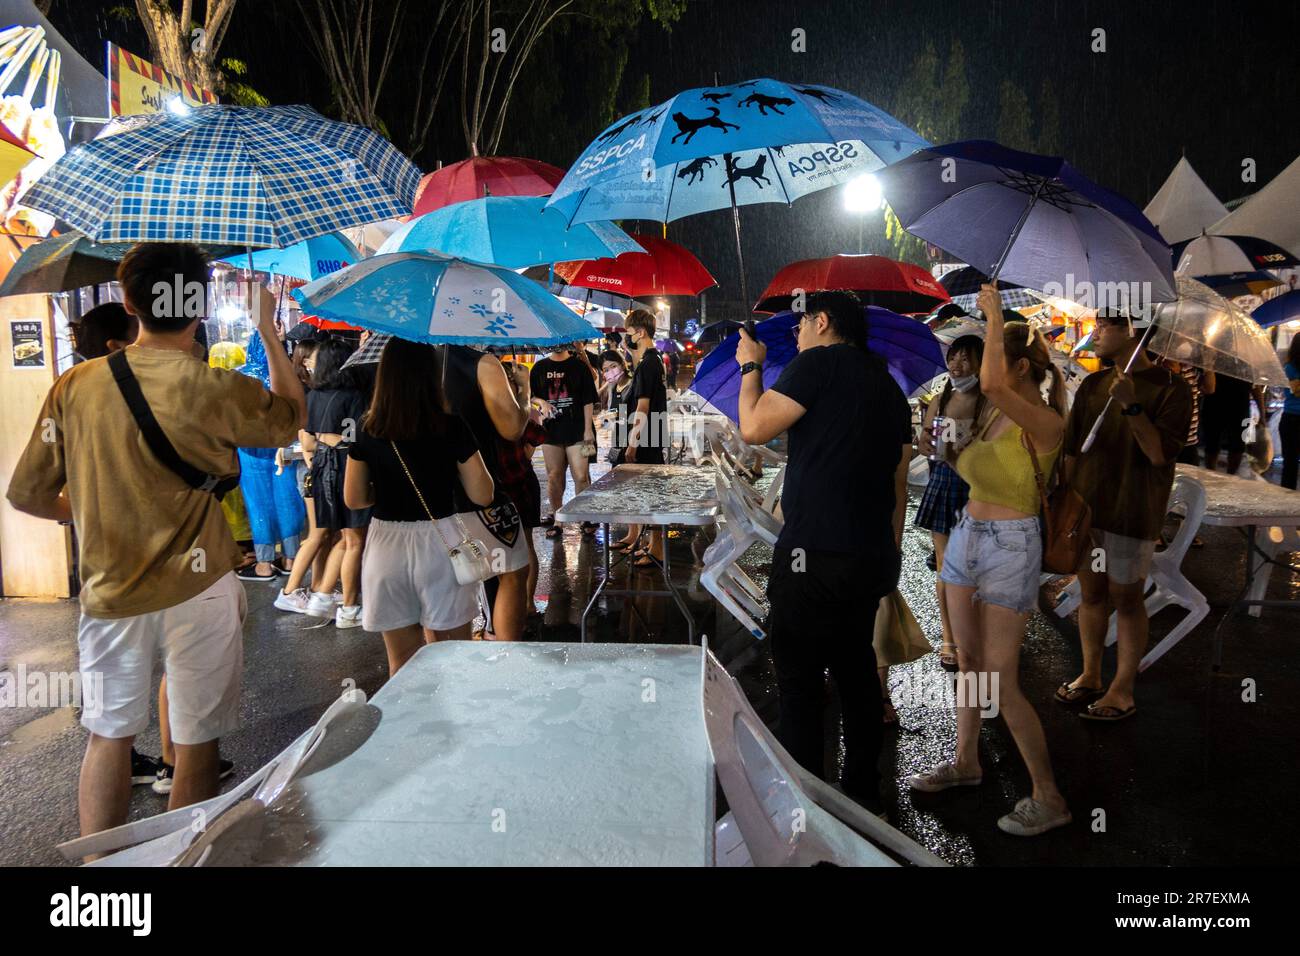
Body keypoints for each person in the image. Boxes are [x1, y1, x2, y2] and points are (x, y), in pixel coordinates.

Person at [6, 243, 304, 847]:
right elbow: (290, 416)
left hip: (110, 590)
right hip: (201, 590)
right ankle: (179, 861)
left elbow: (28, 494)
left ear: (129, 301)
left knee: (109, 735)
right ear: (197, 304)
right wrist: (269, 331)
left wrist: (88, 515)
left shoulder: (76, 386)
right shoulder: (214, 386)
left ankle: (101, 883)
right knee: (195, 741)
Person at [735, 290, 911, 814]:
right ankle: (861, 793)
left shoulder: (818, 365)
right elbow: (898, 483)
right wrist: (891, 554)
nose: (796, 333)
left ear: (825, 321)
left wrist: (751, 367)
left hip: (812, 559)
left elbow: (753, 426)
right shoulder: (888, 388)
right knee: (857, 673)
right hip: (869, 554)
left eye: (801, 323)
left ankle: (804, 802)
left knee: (801, 682)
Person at [909, 286, 1071, 836]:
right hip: (966, 535)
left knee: (1001, 679)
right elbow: (960, 466)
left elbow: (994, 382)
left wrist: (995, 313)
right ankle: (966, 760)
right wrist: (942, 448)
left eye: (995, 357)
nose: (980, 370)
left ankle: (1049, 796)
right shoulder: (988, 417)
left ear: (1019, 366)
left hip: (1011, 542)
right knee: (970, 665)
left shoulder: (1043, 421)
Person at [1057, 310, 1192, 722]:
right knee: (1092, 594)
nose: (1094, 334)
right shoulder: (1095, 383)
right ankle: (1092, 674)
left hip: (1132, 512)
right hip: (1088, 511)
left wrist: (1132, 406)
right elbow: (1070, 450)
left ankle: (1123, 690)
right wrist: (1063, 501)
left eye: (1104, 326)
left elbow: (1158, 454)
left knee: (1127, 598)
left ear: (1132, 331)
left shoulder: (1173, 388)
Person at [344, 338, 495, 675]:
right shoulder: (451, 424)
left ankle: (409, 726)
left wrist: (384, 492)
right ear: (431, 374)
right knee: (454, 658)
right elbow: (483, 494)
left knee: (402, 665)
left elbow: (354, 498)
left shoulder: (367, 428)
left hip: (386, 548)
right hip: (441, 543)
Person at [441, 344, 534, 641]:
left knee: (446, 583)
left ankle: (452, 662)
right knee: (508, 568)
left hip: (424, 495)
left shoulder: (403, 363)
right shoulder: (482, 364)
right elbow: (512, 428)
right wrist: (525, 392)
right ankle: (503, 651)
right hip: (479, 483)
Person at [915, 334, 986, 672]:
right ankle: (949, 638)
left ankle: (977, 633)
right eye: (954, 358)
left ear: (981, 363)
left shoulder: (989, 400)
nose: (958, 365)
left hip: (980, 487)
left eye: (967, 359)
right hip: (945, 483)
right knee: (946, 566)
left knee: (976, 566)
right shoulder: (941, 397)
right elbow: (926, 443)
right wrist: (925, 442)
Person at [294, 336, 369, 627]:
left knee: (342, 536)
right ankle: (349, 609)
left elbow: (308, 440)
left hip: (322, 468)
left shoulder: (312, 396)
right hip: (346, 465)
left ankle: (323, 595)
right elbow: (356, 439)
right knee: (354, 540)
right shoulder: (354, 397)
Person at [530, 343, 598, 538]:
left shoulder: (579, 367)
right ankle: (559, 519)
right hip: (551, 431)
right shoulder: (539, 367)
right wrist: (541, 402)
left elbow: (588, 400)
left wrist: (588, 430)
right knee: (554, 476)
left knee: (581, 476)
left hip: (579, 431)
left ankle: (585, 517)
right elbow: (531, 396)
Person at [622, 309, 671, 567]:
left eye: (628, 332)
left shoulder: (649, 363)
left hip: (647, 436)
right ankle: (652, 545)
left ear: (639, 332)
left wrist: (632, 441)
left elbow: (642, 406)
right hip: (653, 433)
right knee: (648, 491)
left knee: (649, 493)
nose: (626, 336)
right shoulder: (652, 359)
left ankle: (657, 550)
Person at [1161, 358, 1214, 466]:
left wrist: (1208, 365)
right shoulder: (1160, 367)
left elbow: (1209, 388)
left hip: (1190, 440)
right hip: (1167, 441)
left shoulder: (1189, 367)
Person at [1281, 337, 1300, 490]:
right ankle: (1287, 498)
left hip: (1290, 419)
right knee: (1290, 463)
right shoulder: (1290, 368)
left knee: (1290, 463)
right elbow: (1297, 391)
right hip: (1292, 419)